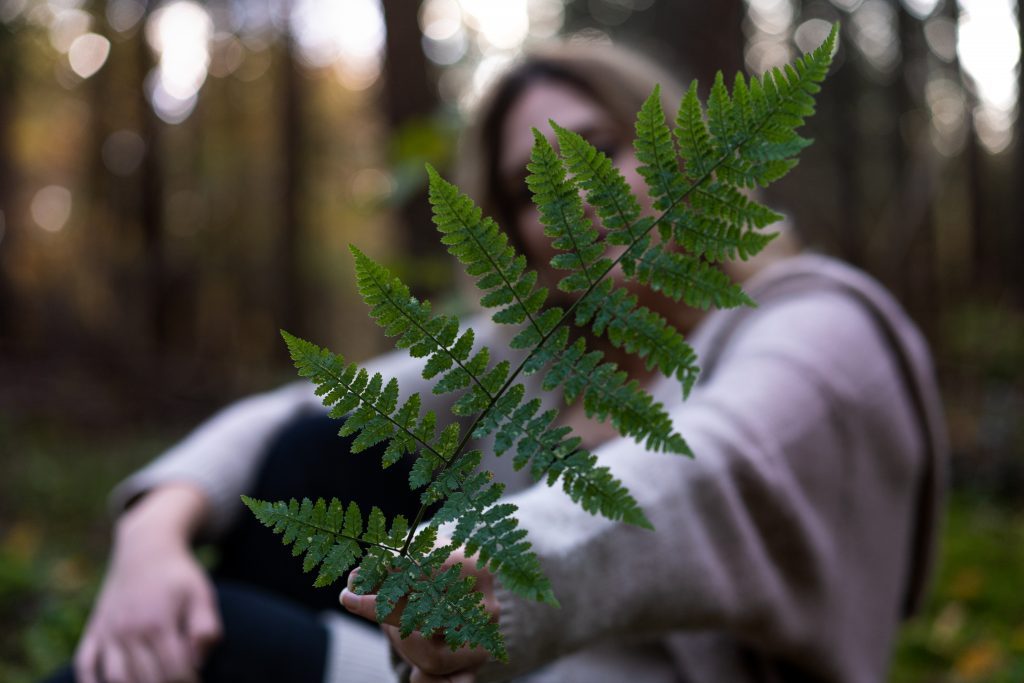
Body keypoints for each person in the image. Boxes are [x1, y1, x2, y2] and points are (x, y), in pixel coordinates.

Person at [52, 40, 947, 683]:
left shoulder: (822, 327)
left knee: (227, 642)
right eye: (529, 187)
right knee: (312, 453)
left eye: (601, 147)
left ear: (678, 148)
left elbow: (712, 471)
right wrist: (152, 535)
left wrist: (492, 567)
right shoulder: (543, 351)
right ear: (515, 231)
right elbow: (297, 408)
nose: (577, 199)